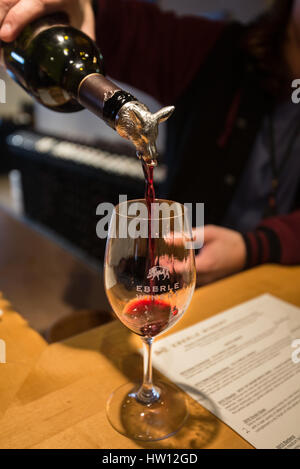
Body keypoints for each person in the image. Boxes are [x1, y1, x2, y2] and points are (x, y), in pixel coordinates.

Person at [0, 0, 299, 286]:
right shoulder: (220, 54)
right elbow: (122, 28)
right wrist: (84, 6)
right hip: (189, 289)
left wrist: (256, 247)